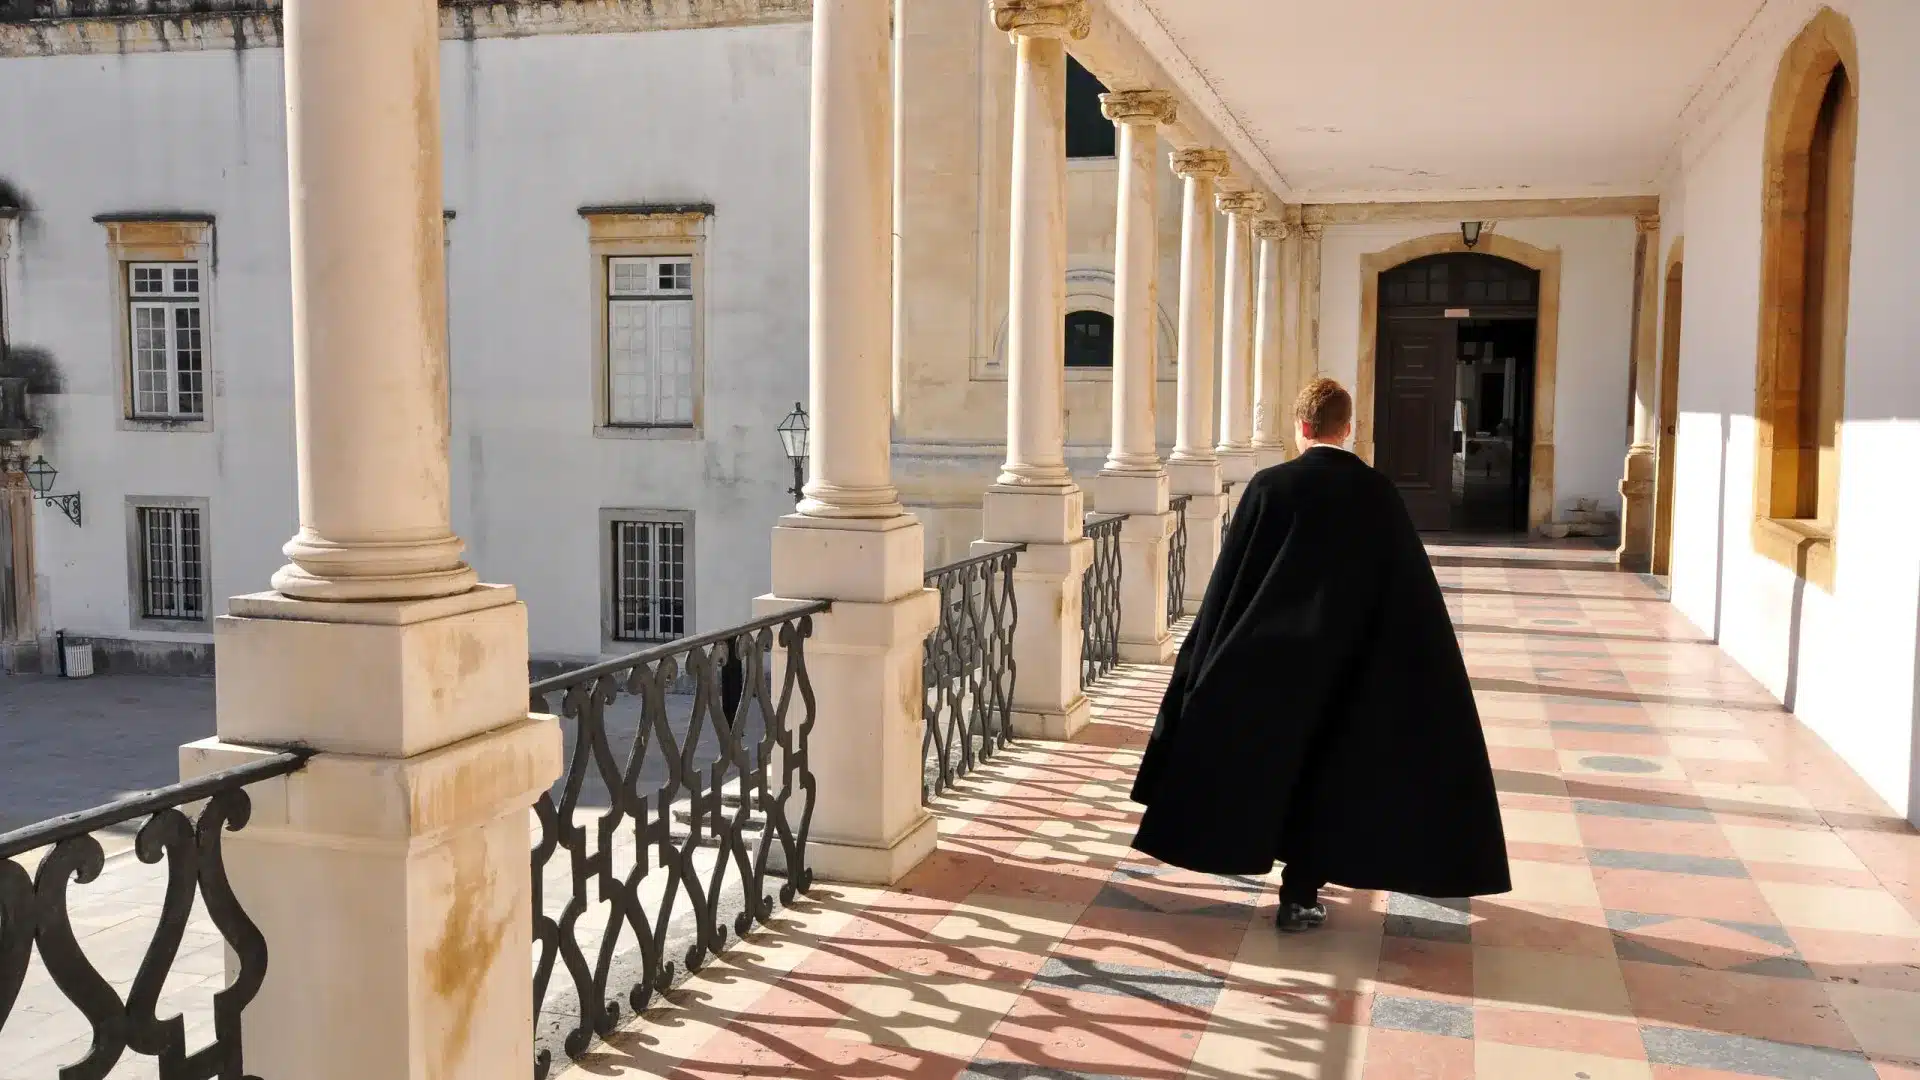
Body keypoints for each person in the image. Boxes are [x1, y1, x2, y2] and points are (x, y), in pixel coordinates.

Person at [1130, 377, 1510, 931]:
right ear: (1348, 428)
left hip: (1272, 662)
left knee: (1275, 763)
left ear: (1301, 428)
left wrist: (1203, 661)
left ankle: (1271, 867)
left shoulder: (1269, 487)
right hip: (1353, 664)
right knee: (1333, 772)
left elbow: (1231, 585)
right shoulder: (1379, 493)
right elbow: (1409, 591)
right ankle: (1301, 891)